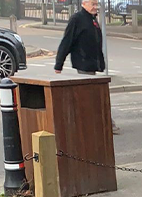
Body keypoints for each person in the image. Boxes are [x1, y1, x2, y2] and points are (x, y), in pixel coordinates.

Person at [54, 0, 119, 135]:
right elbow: (67, 41)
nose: (95, 7)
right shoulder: (77, 19)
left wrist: (100, 64)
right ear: (84, 4)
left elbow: (95, 42)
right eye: (93, 5)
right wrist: (58, 64)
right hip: (83, 63)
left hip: (91, 64)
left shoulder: (92, 20)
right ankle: (105, 124)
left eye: (96, 5)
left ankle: (97, 123)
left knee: (90, 96)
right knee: (92, 96)